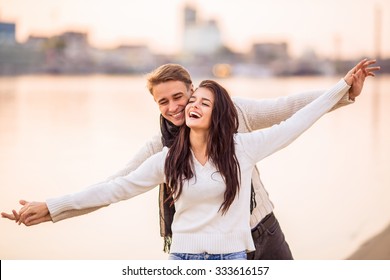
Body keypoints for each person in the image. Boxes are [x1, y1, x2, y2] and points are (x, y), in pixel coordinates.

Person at [1, 59, 379, 260]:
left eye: (178, 97)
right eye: (162, 102)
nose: (173, 108)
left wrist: (345, 91)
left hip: (262, 232)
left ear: (192, 90)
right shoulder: (161, 152)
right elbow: (113, 187)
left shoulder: (235, 117)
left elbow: (289, 112)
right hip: (198, 251)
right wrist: (51, 209)